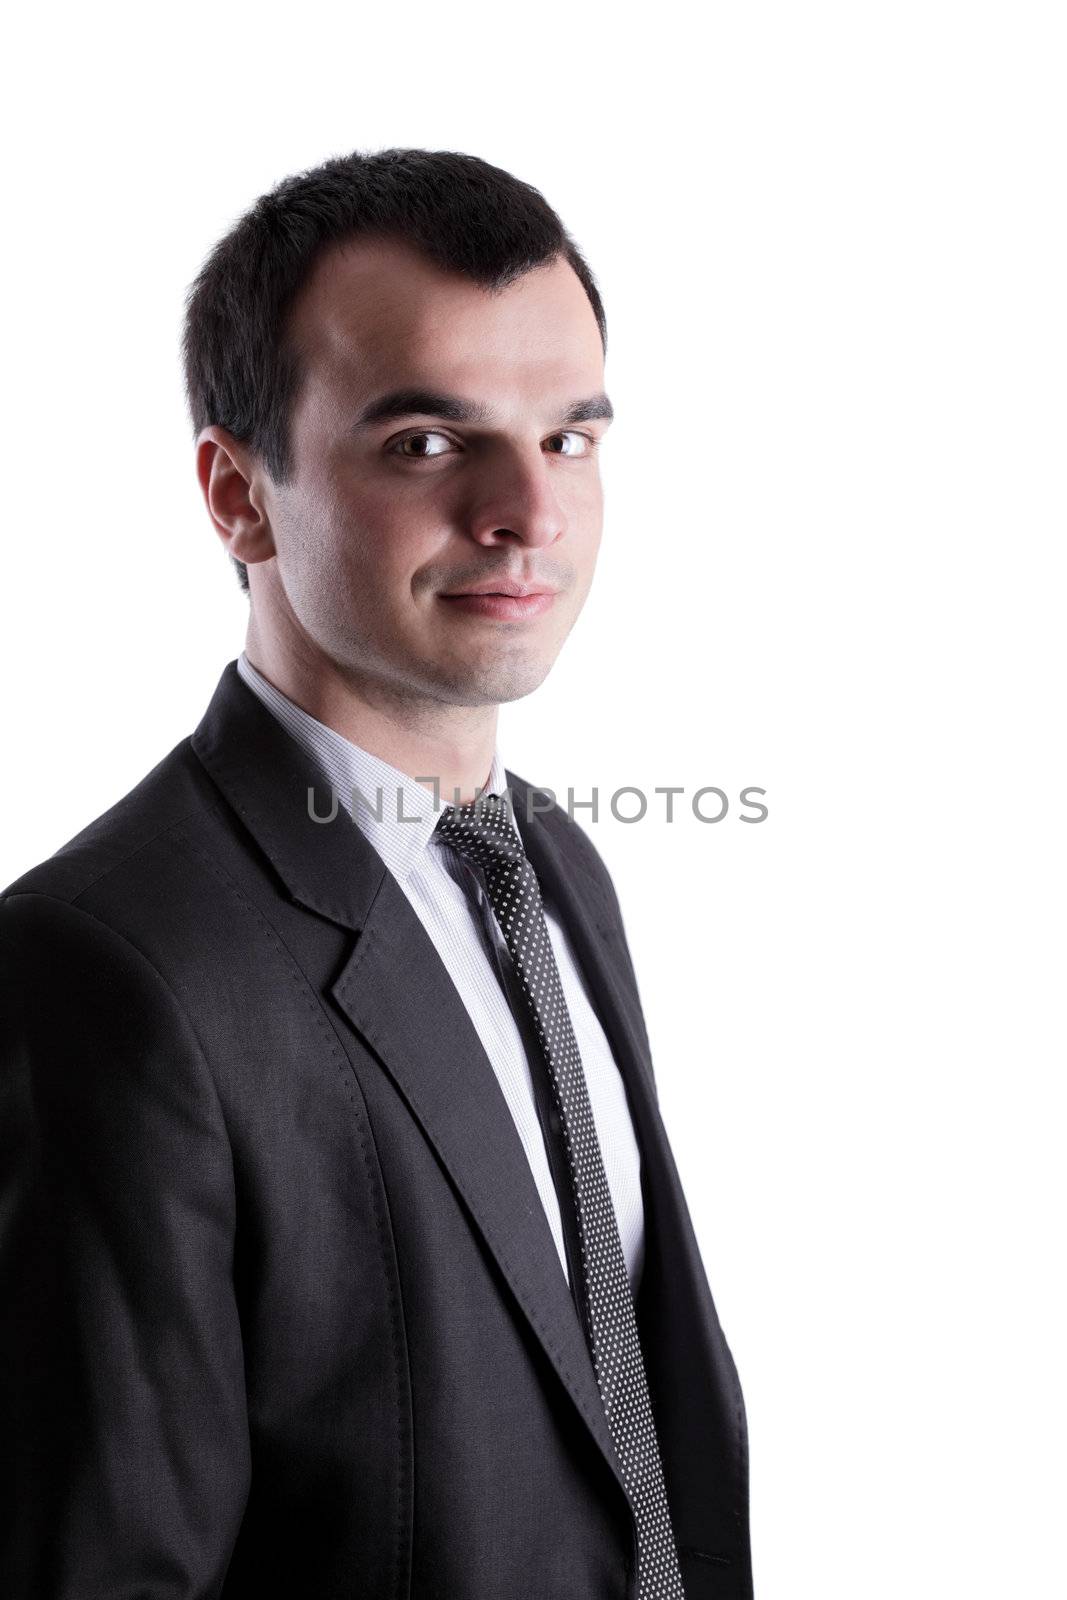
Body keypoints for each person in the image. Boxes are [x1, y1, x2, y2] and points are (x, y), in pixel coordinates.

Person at [0, 148, 753, 1599]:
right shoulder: (104, 969)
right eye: (426, 442)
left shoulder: (557, 866)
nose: (526, 514)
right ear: (238, 495)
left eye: (570, 439)